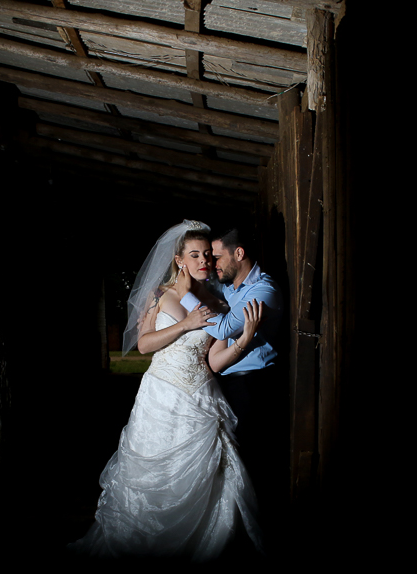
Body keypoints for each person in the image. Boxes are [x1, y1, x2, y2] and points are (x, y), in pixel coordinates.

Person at [68, 220, 264, 563]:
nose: (203, 261)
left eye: (207, 254)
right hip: (161, 396)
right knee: (154, 475)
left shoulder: (218, 302)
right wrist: (185, 324)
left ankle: (201, 545)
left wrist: (244, 341)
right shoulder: (160, 295)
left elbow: (216, 360)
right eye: (194, 255)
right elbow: (144, 345)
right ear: (179, 260)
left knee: (207, 475)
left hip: (201, 396)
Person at [173, 227, 284, 528]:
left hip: (253, 385)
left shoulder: (263, 291)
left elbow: (221, 329)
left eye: (216, 257)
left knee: (251, 462)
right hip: (227, 382)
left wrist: (184, 296)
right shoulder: (230, 287)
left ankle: (262, 530)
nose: (212, 264)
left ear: (239, 253)